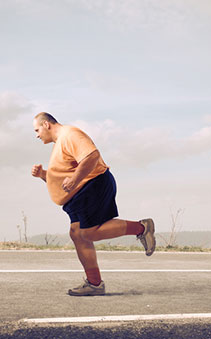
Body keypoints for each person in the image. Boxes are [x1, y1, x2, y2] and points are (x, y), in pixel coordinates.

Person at [31, 112, 155, 296]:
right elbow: (67, 173)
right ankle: (95, 283)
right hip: (79, 193)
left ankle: (141, 228)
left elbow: (92, 156)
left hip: (93, 185)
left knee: (87, 233)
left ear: (47, 124)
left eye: (37, 129)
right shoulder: (60, 144)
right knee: (77, 234)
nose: (37, 135)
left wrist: (74, 179)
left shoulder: (70, 134)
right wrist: (44, 175)